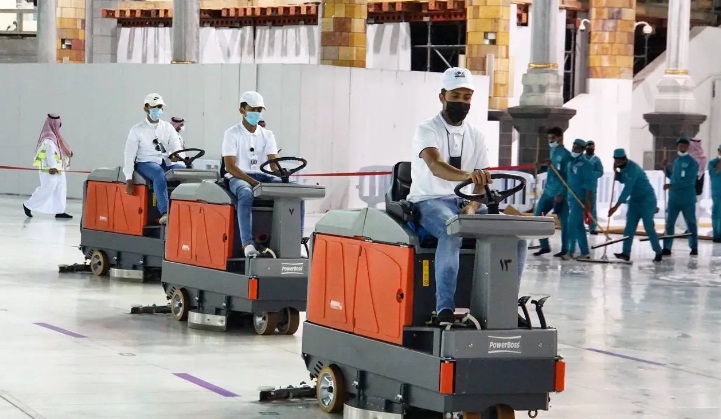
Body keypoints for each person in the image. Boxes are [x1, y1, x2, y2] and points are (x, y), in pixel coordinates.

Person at [406, 67, 527, 324]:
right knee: (453, 230)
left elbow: (482, 182)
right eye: (456, 96)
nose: (461, 102)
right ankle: (444, 308)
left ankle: (505, 304)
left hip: (464, 202)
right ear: (442, 96)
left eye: (466, 97)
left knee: (516, 236)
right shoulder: (427, 130)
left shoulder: (477, 136)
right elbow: (436, 165)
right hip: (429, 200)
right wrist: (469, 176)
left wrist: (472, 207)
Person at [222, 91, 304, 258]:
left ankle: (295, 243)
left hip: (263, 176)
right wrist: (252, 182)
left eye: (259, 110)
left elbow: (273, 163)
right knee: (245, 193)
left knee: (296, 193)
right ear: (242, 110)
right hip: (239, 177)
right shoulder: (232, 133)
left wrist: (281, 172)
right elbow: (230, 166)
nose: (256, 113)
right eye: (252, 109)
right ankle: (247, 244)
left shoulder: (267, 134)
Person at [123, 93, 183, 225]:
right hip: (146, 163)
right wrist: (129, 179)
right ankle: (165, 212)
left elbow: (176, 147)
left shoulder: (167, 127)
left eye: (160, 107)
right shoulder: (137, 130)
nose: (158, 110)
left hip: (165, 162)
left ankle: (184, 208)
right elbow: (129, 154)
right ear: (146, 108)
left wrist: (176, 156)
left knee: (185, 171)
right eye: (154, 107)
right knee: (158, 174)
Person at [608, 149, 663, 262]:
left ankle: (658, 251)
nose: (617, 163)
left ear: (625, 159)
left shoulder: (634, 169)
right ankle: (626, 253)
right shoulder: (623, 168)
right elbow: (623, 180)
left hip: (647, 199)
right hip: (634, 201)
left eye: (619, 161)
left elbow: (627, 189)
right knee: (629, 227)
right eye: (615, 161)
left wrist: (615, 207)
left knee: (648, 226)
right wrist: (617, 174)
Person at [23, 114, 73, 219]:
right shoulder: (48, 138)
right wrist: (52, 166)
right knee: (47, 188)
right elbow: (49, 153)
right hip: (50, 169)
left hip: (58, 168)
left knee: (60, 188)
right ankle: (28, 205)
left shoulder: (55, 137)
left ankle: (60, 211)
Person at [532, 127, 571, 258]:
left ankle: (566, 249)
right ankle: (544, 246)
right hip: (548, 191)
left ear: (560, 138)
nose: (550, 141)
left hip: (559, 193)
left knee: (564, 222)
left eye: (553, 138)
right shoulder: (552, 151)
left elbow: (566, 176)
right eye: (549, 138)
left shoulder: (566, 155)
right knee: (538, 217)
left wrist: (562, 194)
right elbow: (552, 170)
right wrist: (541, 166)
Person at [662, 137, 699, 256]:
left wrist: (672, 185)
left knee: (691, 223)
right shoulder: (677, 162)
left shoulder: (693, 163)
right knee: (669, 223)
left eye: (684, 146)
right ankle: (667, 247)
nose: (682, 148)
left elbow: (689, 181)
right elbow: (674, 178)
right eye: (680, 146)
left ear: (688, 147)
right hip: (674, 199)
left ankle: (694, 247)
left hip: (687, 199)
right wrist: (665, 169)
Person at [562, 139, 594, 261]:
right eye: (573, 147)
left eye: (577, 148)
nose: (574, 149)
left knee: (571, 224)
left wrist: (587, 202)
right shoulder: (571, 162)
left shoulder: (586, 164)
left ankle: (570, 251)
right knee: (579, 225)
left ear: (582, 149)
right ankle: (585, 252)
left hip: (580, 198)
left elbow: (588, 184)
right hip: (571, 197)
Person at [584, 140, 603, 235]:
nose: (590, 148)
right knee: (578, 206)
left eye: (592, 147)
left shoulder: (596, 160)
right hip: (580, 186)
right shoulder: (581, 158)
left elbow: (600, 172)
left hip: (591, 187)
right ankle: (578, 226)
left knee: (592, 207)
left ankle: (592, 228)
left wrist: (591, 174)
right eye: (588, 146)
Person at [708, 145, 721, 243]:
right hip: (717, 193)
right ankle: (717, 235)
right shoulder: (712, 163)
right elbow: (713, 173)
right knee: (717, 214)